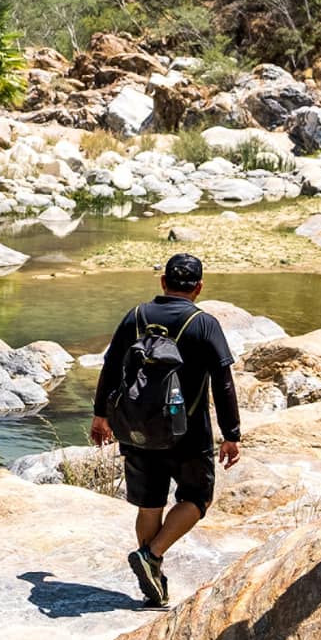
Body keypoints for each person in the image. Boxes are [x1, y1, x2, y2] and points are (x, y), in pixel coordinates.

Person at [90, 252, 241, 607]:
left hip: (137, 428)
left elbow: (110, 366)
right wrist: (231, 434)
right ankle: (152, 556)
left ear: (163, 282)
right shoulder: (204, 324)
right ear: (199, 287)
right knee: (197, 499)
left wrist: (100, 415)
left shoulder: (137, 316)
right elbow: (223, 382)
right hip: (188, 432)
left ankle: (151, 572)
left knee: (149, 504)